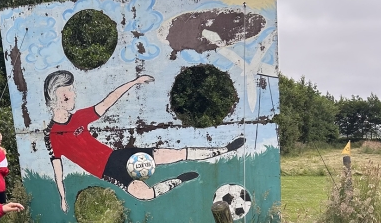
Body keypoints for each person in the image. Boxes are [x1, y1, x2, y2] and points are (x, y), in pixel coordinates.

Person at [43, 70, 246, 212]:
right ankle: (179, 180)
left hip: (117, 157)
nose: (74, 94)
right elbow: (57, 168)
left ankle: (225, 148)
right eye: (69, 91)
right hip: (109, 173)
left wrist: (134, 82)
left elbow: (106, 102)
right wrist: (62, 197)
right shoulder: (51, 135)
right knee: (145, 194)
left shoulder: (79, 117)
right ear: (57, 95)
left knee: (171, 155)